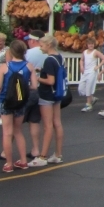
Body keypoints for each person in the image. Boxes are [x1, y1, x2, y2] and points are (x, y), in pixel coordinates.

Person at [0, 40, 37, 172]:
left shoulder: (5, 67)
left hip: (6, 101)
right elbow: (34, 86)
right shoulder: (29, 66)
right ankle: (23, 161)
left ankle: (9, 163)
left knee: (7, 133)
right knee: (18, 131)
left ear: (11, 51)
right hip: (20, 101)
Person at [32, 34, 66, 166]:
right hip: (57, 93)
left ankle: (43, 156)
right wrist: (42, 71)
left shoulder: (49, 60)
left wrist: (37, 78)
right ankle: (58, 154)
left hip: (47, 94)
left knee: (48, 125)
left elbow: (50, 80)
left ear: (49, 45)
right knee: (57, 122)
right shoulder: (59, 57)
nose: (40, 47)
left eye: (42, 45)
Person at [22, 31, 46, 163]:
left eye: (29, 40)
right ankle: (36, 149)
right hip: (42, 89)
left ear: (33, 40)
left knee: (15, 121)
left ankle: (5, 152)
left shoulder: (28, 53)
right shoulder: (48, 53)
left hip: (27, 88)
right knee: (34, 120)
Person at [80, 37, 104, 112]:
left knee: (89, 87)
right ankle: (92, 98)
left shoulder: (95, 52)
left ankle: (88, 105)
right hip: (85, 71)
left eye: (92, 44)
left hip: (92, 71)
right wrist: (81, 66)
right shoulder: (84, 52)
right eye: (89, 44)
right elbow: (81, 60)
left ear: (94, 45)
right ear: (87, 45)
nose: (91, 45)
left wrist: (98, 66)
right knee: (81, 89)